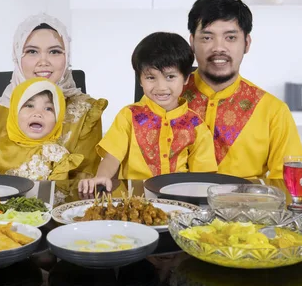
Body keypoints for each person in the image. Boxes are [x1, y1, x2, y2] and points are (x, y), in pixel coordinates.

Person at [0, 13, 108, 178]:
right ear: (17, 55)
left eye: (55, 51)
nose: (44, 61)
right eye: (32, 51)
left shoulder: (86, 112)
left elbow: (84, 181)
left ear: (67, 56)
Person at [182, 0, 302, 180]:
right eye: (207, 38)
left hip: (248, 207)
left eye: (230, 38)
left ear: (246, 43)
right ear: (192, 43)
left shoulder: (273, 112)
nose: (218, 48)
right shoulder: (166, 98)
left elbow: (289, 184)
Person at [79, 32, 218, 193]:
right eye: (151, 78)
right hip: (133, 198)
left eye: (170, 77)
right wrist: (102, 176)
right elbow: (112, 157)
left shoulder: (196, 124)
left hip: (180, 200)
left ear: (186, 78)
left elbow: (202, 176)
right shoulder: (128, 115)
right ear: (140, 79)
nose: (161, 87)